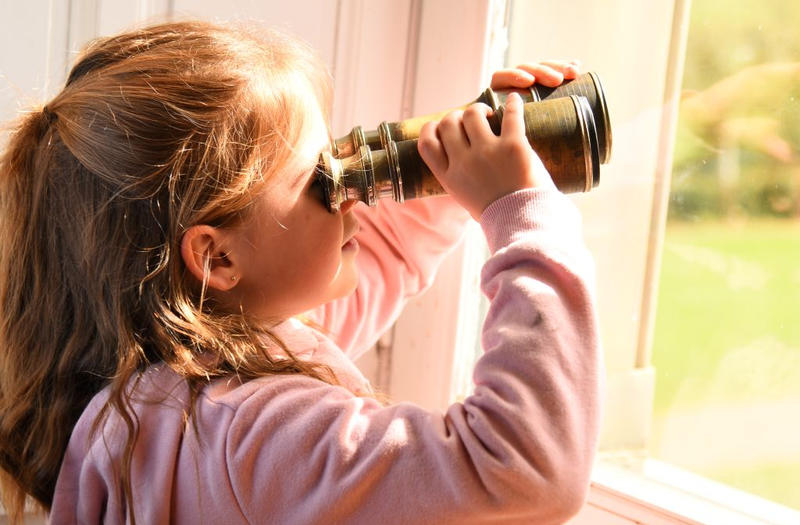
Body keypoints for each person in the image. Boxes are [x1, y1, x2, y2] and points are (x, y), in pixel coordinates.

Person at [0, 20, 601, 524]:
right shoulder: (250, 435)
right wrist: (520, 213)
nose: (352, 199)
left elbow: (366, 272)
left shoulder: (177, 377)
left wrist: (450, 173)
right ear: (218, 258)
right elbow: (522, 469)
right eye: (322, 179)